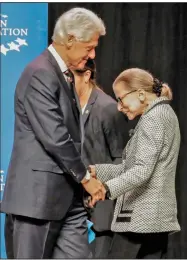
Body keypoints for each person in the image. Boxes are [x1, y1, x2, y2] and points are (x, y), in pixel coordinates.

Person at [1, 8, 107, 259]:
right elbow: (56, 137)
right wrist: (85, 178)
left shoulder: (63, 74)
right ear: (69, 40)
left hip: (67, 200)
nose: (92, 55)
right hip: (38, 201)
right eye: (89, 47)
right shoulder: (40, 72)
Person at [89, 68, 181, 258]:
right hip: (155, 220)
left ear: (140, 94)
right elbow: (135, 167)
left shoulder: (153, 119)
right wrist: (97, 171)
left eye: (121, 99)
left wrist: (105, 190)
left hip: (140, 220)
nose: (119, 106)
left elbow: (140, 171)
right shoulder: (165, 113)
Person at [72, 59, 136, 258]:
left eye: (69, 76)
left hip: (101, 206)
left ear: (87, 75)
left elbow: (122, 159)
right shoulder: (66, 106)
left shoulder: (108, 108)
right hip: (72, 205)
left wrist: (101, 190)